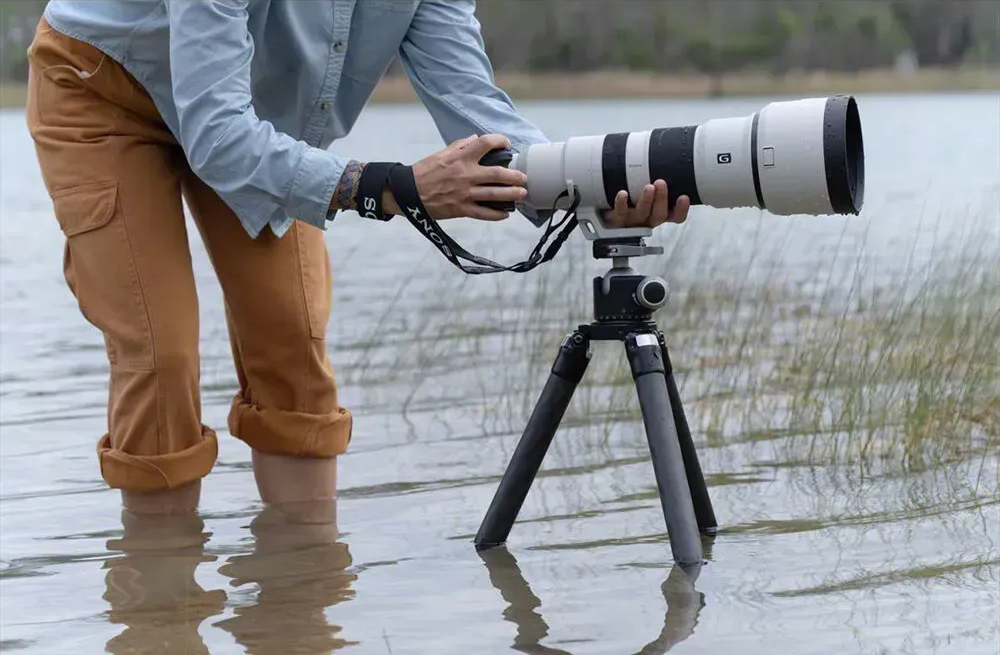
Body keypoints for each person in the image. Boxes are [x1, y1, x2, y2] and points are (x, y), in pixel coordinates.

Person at [26, 1, 690, 517]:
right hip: (104, 87)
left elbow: (478, 113)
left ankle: (302, 607)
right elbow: (216, 137)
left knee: (294, 343)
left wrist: (589, 194)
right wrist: (386, 187)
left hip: (251, 113)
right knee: (161, 353)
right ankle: (160, 617)